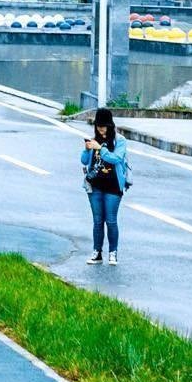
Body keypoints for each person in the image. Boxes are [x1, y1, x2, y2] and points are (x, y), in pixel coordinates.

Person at [80, 107, 129, 264]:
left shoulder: (119, 141)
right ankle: (97, 252)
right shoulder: (94, 139)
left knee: (111, 220)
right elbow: (84, 160)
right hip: (94, 184)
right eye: (98, 126)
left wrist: (100, 148)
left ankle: (113, 253)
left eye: (103, 126)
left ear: (110, 125)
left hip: (113, 185)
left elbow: (115, 158)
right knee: (97, 220)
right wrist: (87, 149)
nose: (100, 129)